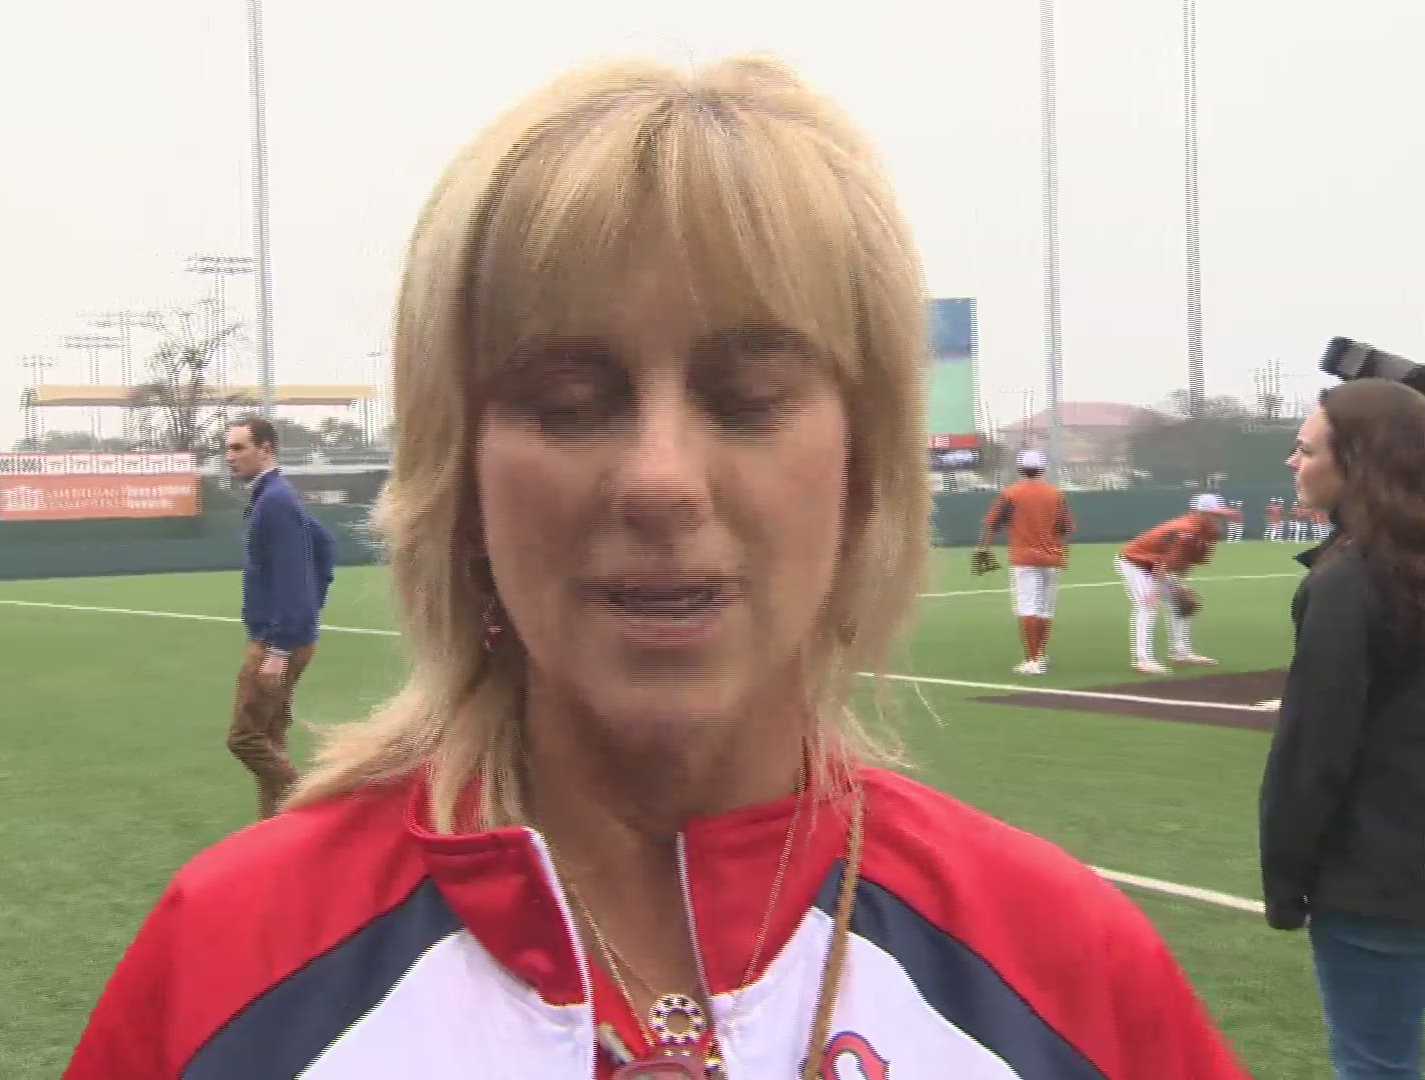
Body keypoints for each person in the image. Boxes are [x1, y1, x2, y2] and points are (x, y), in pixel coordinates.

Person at [64, 55, 1249, 1079]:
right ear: (458, 476)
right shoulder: (228, 967)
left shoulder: (1072, 974)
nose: (660, 479)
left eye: (750, 398)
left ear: (864, 466)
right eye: (568, 402)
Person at [1261, 379, 1425, 1080]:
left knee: (1375, 1067)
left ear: (1354, 462)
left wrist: (1285, 879)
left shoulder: (1348, 583)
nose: (1293, 464)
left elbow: (1313, 753)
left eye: (1305, 450)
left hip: (1377, 884)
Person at [222, 416, 337, 819]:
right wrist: (309, 612)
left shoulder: (275, 502)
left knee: (245, 738)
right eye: (228, 448)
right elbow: (325, 549)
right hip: (285, 637)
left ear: (266, 449)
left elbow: (293, 573)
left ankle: (316, 809)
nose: (229, 457)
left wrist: (283, 646)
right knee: (270, 738)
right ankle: (278, 833)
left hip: (275, 643)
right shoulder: (275, 498)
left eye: (239, 448)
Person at [975, 448, 1074, 675]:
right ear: (1043, 468)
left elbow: (992, 524)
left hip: (1024, 559)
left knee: (1028, 607)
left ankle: (1033, 660)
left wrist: (982, 550)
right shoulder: (1056, 494)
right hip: (1052, 558)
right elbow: (1065, 529)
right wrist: (1064, 555)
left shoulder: (1011, 493)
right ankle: (1040, 655)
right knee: (1045, 609)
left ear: (1020, 468)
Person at [1116, 493, 1239, 674]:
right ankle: (1142, 659)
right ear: (1199, 513)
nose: (1217, 518)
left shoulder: (1210, 532)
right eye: (1212, 514)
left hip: (1158, 563)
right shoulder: (1184, 529)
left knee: (1181, 603)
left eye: (1219, 514)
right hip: (1136, 562)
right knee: (1147, 606)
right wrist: (1153, 591)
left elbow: (1186, 561)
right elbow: (1164, 562)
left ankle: (1180, 652)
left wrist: (1181, 585)